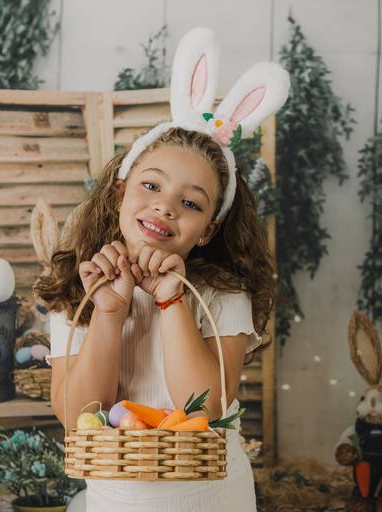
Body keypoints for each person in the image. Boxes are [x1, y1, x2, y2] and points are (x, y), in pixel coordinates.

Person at [35, 26, 289, 512]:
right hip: (116, 498)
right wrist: (109, 313)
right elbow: (77, 417)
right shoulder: (80, 288)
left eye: (190, 203)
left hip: (209, 497)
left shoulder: (221, 293)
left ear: (208, 230)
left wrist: (173, 300)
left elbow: (206, 409)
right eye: (151, 186)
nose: (165, 206)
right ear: (120, 193)